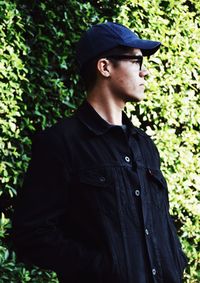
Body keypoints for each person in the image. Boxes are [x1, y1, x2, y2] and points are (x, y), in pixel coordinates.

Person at [12, 22, 187, 283]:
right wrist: (103, 268)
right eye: (136, 62)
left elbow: (160, 223)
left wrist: (176, 262)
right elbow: (31, 233)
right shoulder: (61, 143)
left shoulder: (145, 145)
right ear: (105, 67)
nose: (145, 72)